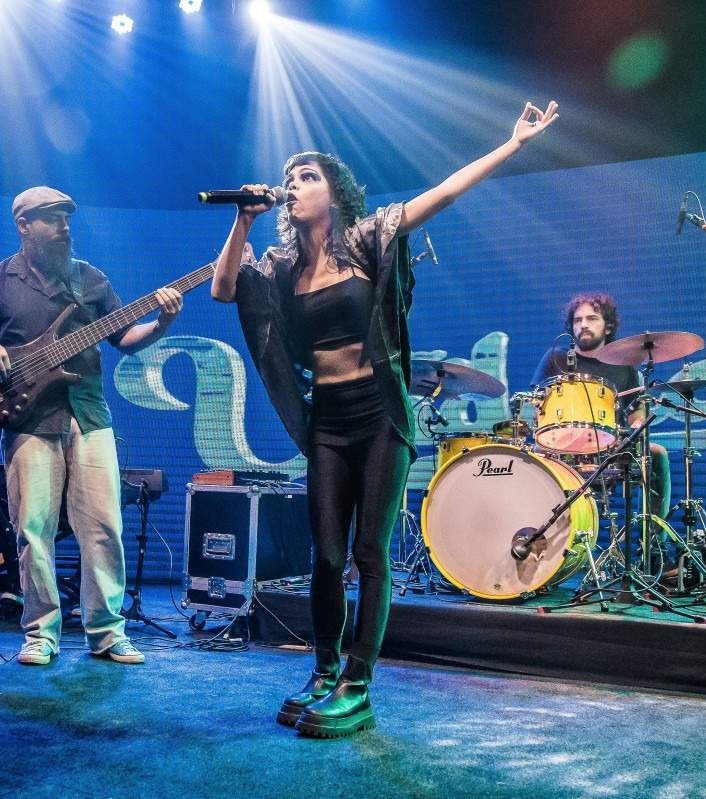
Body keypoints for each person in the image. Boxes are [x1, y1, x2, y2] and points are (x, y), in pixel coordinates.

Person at [211, 102, 560, 737]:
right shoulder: (283, 266)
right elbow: (224, 289)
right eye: (288, 178)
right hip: (327, 420)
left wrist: (512, 143)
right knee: (326, 555)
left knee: (369, 552)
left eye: (307, 176)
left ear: (335, 192)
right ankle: (322, 670)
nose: (293, 185)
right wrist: (243, 220)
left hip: (380, 415)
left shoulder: (371, 235)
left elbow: (448, 191)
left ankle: (357, 684)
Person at [0, 186, 183, 666]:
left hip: (89, 413)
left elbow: (123, 337)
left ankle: (107, 631)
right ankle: (40, 631)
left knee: (103, 526)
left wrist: (160, 324)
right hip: (28, 417)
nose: (64, 227)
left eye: (66, 218)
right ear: (24, 226)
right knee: (33, 529)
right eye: (52, 219)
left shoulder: (91, 279)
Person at [531, 293, 672, 520]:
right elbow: (537, 404)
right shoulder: (555, 358)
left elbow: (637, 411)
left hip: (610, 446)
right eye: (578, 320)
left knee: (657, 453)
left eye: (592, 318)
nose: (584, 325)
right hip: (559, 445)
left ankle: (654, 545)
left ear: (608, 327)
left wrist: (636, 426)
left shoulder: (623, 365)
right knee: (532, 457)